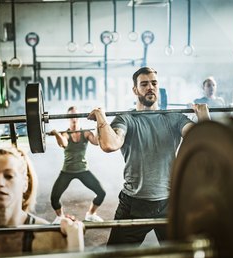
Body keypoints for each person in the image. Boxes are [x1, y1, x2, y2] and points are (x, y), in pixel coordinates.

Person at [87, 67, 210, 246]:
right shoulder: (126, 119)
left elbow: (204, 142)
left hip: (169, 202)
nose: (150, 87)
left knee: (180, 253)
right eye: (144, 84)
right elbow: (109, 144)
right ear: (135, 90)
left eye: (154, 83)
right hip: (133, 205)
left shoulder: (174, 118)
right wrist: (101, 117)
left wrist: (204, 118)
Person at [50, 106, 106, 224]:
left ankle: (91, 214)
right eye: (71, 116)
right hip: (67, 171)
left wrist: (98, 124)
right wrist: (56, 133)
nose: (74, 118)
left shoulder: (85, 132)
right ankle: (60, 217)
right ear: (67, 118)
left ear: (79, 117)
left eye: (76, 115)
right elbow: (64, 143)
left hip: (83, 170)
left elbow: (96, 142)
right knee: (54, 198)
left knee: (101, 193)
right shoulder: (64, 134)